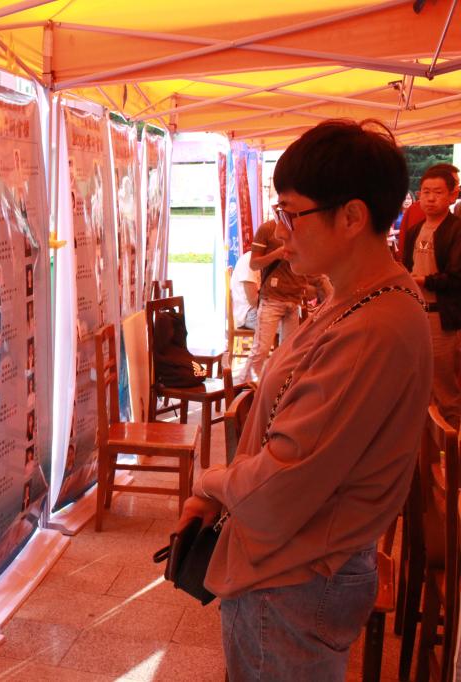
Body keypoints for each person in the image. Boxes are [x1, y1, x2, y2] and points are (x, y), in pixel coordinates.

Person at [180, 119, 432, 680]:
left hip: (293, 578)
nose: (283, 231)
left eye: (293, 214)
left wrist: (211, 482)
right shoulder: (357, 300)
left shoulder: (374, 327)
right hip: (295, 567)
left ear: (352, 217)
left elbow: (282, 483)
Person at [402, 164, 461, 426]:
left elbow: (457, 277)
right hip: (416, 314)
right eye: (426, 192)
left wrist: (424, 280)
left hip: (442, 318)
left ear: (452, 195)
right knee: (419, 382)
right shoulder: (415, 230)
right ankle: (426, 444)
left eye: (437, 192)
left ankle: (451, 441)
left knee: (444, 387)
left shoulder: (456, 229)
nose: (430, 198)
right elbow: (406, 267)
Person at [236, 218, 315, 384]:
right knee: (262, 349)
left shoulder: (301, 227)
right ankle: (243, 385)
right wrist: (277, 254)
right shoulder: (267, 229)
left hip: (294, 299)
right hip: (271, 298)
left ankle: (277, 385)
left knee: (288, 350)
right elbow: (254, 264)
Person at [230, 249, 261, 330]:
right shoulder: (249, 260)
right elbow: (253, 300)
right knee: (287, 322)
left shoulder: (266, 261)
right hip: (247, 313)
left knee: (289, 313)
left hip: (258, 309)